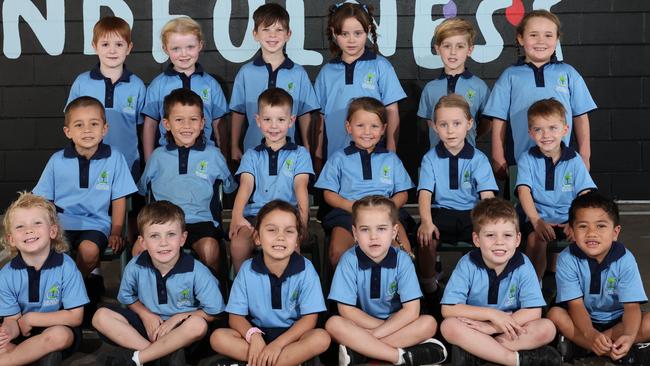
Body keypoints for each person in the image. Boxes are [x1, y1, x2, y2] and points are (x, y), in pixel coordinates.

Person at [33, 96, 137, 319]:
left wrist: (116, 231)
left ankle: (68, 296)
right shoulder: (57, 160)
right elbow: (44, 201)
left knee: (89, 252)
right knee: (43, 251)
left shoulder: (115, 158)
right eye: (79, 125)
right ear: (68, 131)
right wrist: (47, 228)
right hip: (60, 224)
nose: (87, 130)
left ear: (105, 129)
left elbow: (119, 199)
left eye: (94, 124)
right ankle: (75, 295)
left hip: (96, 224)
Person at [92, 200, 225, 366]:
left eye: (171, 234)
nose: (163, 243)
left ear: (183, 238)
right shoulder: (135, 266)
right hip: (150, 327)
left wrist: (178, 317)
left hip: (181, 331)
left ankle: (140, 358)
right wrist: (145, 314)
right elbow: (127, 297)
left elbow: (214, 312)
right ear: (143, 242)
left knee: (197, 325)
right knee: (100, 316)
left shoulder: (197, 271)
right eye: (154, 236)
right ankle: (159, 355)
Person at [326, 195, 447, 366]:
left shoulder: (402, 260)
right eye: (365, 230)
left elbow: (411, 311)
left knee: (428, 323)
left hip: (396, 323)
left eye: (381, 229)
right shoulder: (349, 260)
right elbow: (347, 311)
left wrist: (372, 336)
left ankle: (362, 352)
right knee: (333, 324)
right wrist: (381, 327)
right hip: (363, 324)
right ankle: (403, 356)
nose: (373, 236)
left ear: (394, 232)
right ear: (354, 233)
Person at [440, 197, 561, 366]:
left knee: (547, 328)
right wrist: (492, 315)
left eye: (507, 235)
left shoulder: (523, 265)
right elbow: (448, 309)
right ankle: (513, 359)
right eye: (490, 235)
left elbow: (533, 312)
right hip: (475, 327)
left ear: (517, 240)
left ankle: (480, 354)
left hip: (508, 328)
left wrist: (494, 327)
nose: (499, 242)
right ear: (476, 240)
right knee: (449, 326)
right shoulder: (467, 264)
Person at [210, 200, 330, 366]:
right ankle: (287, 361)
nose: (280, 237)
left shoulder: (306, 270)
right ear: (258, 237)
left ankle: (261, 361)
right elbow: (236, 317)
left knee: (321, 338)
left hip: (291, 337)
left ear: (297, 240)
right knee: (218, 338)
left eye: (289, 231)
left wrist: (277, 345)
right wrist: (254, 336)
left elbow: (309, 319)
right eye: (272, 230)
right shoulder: (247, 270)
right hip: (257, 335)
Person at [484, 9, 597, 182]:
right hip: (518, 161)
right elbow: (499, 120)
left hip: (561, 161)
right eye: (533, 35)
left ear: (557, 39)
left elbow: (581, 116)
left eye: (548, 35)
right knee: (520, 206)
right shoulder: (510, 76)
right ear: (520, 38)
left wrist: (585, 155)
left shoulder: (569, 74)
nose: (541, 41)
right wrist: (498, 156)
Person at [137, 88, 237, 276]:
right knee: (139, 250)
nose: (186, 126)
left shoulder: (213, 155)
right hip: (163, 222)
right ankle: (151, 298)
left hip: (200, 221)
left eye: (193, 119)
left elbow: (230, 186)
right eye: (179, 120)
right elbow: (143, 189)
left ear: (202, 123)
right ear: (166, 124)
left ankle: (213, 297)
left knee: (210, 249)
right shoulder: (158, 156)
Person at [547, 192, 650, 364]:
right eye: (583, 226)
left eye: (601, 226)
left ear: (615, 232)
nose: (592, 233)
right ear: (571, 231)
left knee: (647, 322)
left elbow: (632, 307)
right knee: (555, 315)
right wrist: (590, 334)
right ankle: (612, 350)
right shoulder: (567, 258)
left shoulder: (625, 259)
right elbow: (576, 305)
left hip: (618, 322)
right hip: (582, 321)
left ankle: (584, 347)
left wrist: (629, 335)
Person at [314, 97, 413, 268]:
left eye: (374, 126)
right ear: (348, 127)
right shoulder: (338, 158)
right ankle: (345, 293)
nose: (367, 131)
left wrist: (390, 206)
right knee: (337, 253)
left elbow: (403, 193)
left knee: (403, 252)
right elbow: (328, 194)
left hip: (385, 214)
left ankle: (396, 293)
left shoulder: (391, 159)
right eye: (360, 126)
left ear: (383, 129)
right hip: (349, 214)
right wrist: (349, 205)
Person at [417, 94, 497, 296]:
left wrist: (487, 224)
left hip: (471, 213)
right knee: (425, 239)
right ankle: (430, 288)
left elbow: (487, 197)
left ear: (469, 124)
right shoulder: (430, 158)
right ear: (435, 127)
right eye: (443, 124)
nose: (450, 130)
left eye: (456, 123)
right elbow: (425, 194)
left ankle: (479, 287)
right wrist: (426, 222)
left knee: (488, 237)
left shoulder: (478, 159)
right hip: (441, 212)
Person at [229, 88, 313, 273]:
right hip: (256, 215)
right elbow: (246, 186)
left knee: (293, 248)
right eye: (267, 120)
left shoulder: (300, 154)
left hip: (287, 216)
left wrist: (303, 222)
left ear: (291, 121)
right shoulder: (252, 155)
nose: (274, 126)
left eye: (281, 120)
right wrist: (236, 216)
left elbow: (301, 188)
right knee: (237, 245)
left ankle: (289, 292)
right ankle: (243, 291)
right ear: (258, 121)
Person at [0, 192, 89, 366]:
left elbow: (75, 317)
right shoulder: (6, 275)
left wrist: (32, 318)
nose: (29, 230)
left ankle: (9, 360)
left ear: (53, 231)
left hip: (57, 328)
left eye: (37, 223)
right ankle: (37, 357)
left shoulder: (66, 267)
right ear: (11, 239)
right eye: (20, 227)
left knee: (60, 336)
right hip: (23, 333)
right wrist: (7, 332)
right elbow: (12, 319)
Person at [516, 98, 596, 281]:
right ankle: (533, 287)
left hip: (568, 219)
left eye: (552, 128)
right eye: (538, 129)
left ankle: (581, 287)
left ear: (565, 130)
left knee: (586, 237)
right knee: (535, 240)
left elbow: (585, 194)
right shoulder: (527, 159)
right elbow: (523, 192)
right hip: (540, 219)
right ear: (530, 133)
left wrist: (576, 221)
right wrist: (536, 221)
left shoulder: (574, 160)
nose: (546, 135)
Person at [314, 2, 406, 159]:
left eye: (358, 33)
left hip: (375, 156)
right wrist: (317, 159)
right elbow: (319, 119)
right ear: (334, 33)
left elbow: (391, 111)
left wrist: (391, 153)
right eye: (344, 34)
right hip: (335, 157)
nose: (351, 40)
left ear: (368, 31)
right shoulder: (327, 72)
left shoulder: (381, 66)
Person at [229, 2, 319, 162]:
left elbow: (305, 114)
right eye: (266, 29)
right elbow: (238, 112)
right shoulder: (246, 73)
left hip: (289, 154)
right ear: (255, 34)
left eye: (279, 30)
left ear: (288, 34)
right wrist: (234, 145)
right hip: (254, 151)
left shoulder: (298, 73)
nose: (273, 35)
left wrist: (307, 147)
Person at [67, 16, 146, 180]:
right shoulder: (82, 83)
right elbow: (71, 124)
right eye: (105, 44)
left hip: (127, 161)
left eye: (119, 44)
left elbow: (141, 128)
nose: (112, 50)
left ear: (129, 48)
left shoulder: (137, 85)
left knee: (126, 206)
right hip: (89, 161)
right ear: (94, 46)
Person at [142, 16, 228, 161]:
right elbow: (150, 125)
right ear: (165, 49)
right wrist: (149, 160)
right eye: (176, 48)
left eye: (190, 47)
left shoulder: (211, 84)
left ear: (200, 45)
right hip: (168, 157)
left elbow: (219, 124)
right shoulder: (158, 85)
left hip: (205, 157)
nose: (184, 54)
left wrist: (224, 158)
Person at [417, 17, 490, 148]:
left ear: (469, 50)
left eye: (460, 46)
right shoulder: (430, 88)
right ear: (438, 49)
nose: (453, 52)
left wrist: (469, 134)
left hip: (468, 158)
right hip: (437, 159)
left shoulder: (479, 87)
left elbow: (486, 123)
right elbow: (430, 124)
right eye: (447, 46)